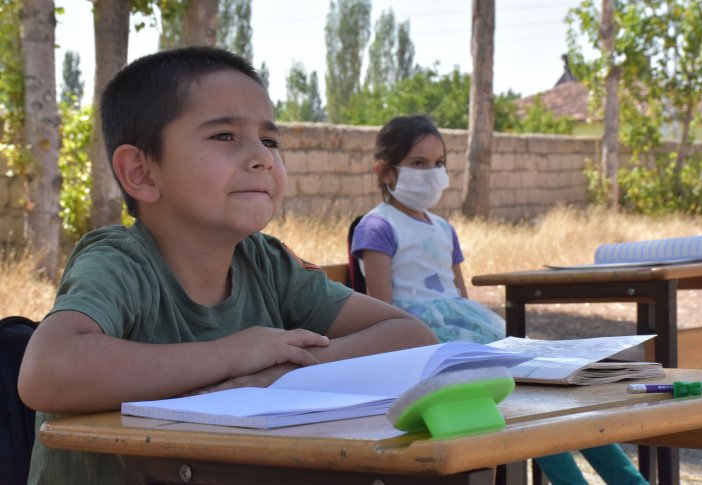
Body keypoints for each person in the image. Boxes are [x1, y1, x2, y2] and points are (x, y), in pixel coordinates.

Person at [17, 48, 437, 485]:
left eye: (270, 141)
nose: (262, 158)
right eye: (224, 136)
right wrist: (233, 354)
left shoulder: (267, 264)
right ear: (141, 172)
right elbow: (47, 372)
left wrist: (283, 372)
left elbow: (412, 337)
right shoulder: (120, 263)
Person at [350, 115, 647, 485]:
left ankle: (631, 481)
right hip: (429, 346)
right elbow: (384, 309)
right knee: (527, 405)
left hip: (468, 333)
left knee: (564, 394)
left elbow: (459, 296)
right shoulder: (378, 227)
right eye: (418, 163)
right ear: (385, 171)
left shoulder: (444, 228)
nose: (432, 172)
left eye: (439, 163)